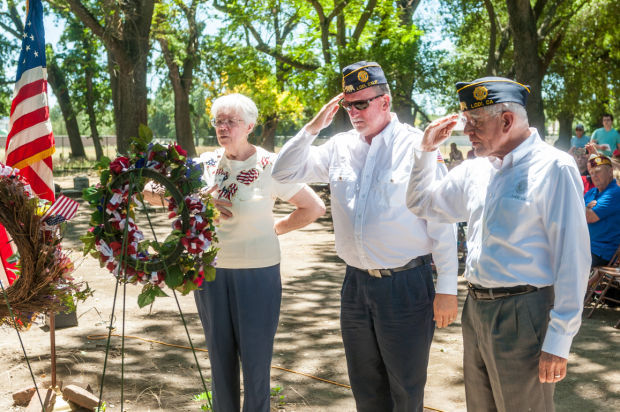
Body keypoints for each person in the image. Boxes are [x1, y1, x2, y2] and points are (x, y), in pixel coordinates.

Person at [272, 61, 458, 412]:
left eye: (362, 103)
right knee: (364, 386)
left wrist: (447, 288)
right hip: (356, 285)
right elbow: (283, 172)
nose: (354, 112)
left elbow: (441, 221)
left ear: (385, 102)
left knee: (405, 387)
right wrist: (312, 128)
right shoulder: (339, 146)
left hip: (405, 284)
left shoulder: (418, 147)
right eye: (348, 105)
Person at [406, 77, 590, 412]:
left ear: (507, 121)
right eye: (466, 123)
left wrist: (560, 338)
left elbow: (573, 257)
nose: (467, 132)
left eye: (475, 123)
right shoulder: (477, 169)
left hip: (525, 311)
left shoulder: (553, 167)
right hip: (475, 308)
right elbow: (422, 204)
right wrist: (425, 151)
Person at [184, 93, 325, 412]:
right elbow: (165, 193)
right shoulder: (205, 164)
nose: (223, 127)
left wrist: (276, 228)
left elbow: (314, 207)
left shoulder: (271, 165)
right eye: (218, 121)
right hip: (211, 274)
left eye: (231, 121)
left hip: (257, 274)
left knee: (256, 361)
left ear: (250, 125)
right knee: (219, 360)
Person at [584, 154, 620, 267]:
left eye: (598, 171)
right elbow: (574, 216)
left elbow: (589, 217)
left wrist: (582, 209)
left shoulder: (615, 192)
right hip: (584, 246)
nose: (594, 176)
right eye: (591, 173)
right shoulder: (591, 192)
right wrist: (584, 209)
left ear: (610, 172)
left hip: (601, 252)